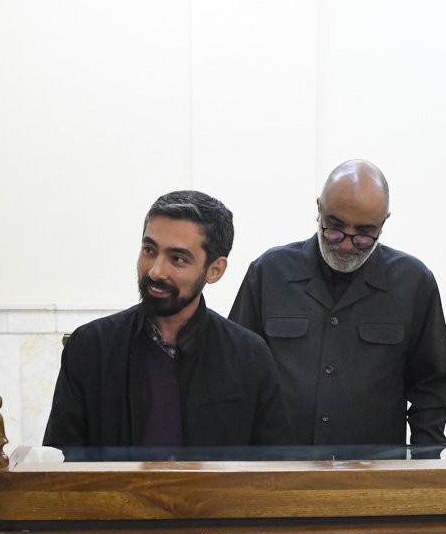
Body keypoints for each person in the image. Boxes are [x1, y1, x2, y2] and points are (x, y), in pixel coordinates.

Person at [229, 160, 446, 445]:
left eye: (363, 234)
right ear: (319, 209)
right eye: (334, 228)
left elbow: (432, 388)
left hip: (373, 468)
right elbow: (234, 372)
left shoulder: (413, 283)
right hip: (280, 464)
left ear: (384, 222)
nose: (346, 245)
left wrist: (426, 462)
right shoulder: (268, 273)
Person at [44, 190, 291, 448]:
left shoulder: (249, 355)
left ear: (214, 270)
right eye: (149, 250)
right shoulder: (90, 348)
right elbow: (60, 460)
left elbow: (273, 464)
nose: (156, 271)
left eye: (178, 259)